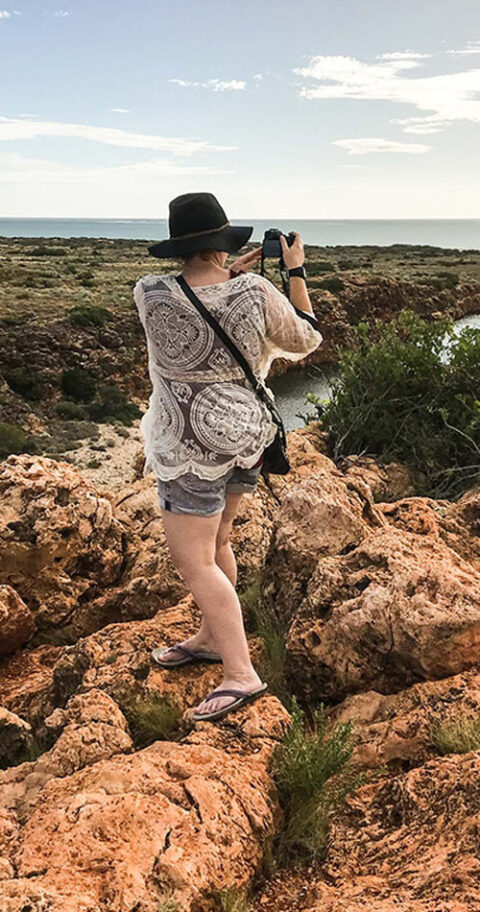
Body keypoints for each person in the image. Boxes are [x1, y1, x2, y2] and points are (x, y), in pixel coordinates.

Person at [133, 192, 321, 721]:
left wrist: (227, 274)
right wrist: (295, 271)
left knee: (194, 563)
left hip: (191, 447)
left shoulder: (150, 292)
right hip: (246, 440)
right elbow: (305, 338)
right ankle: (213, 638)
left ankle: (240, 673)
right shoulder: (256, 292)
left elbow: (198, 299)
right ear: (224, 241)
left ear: (177, 246)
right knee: (217, 543)